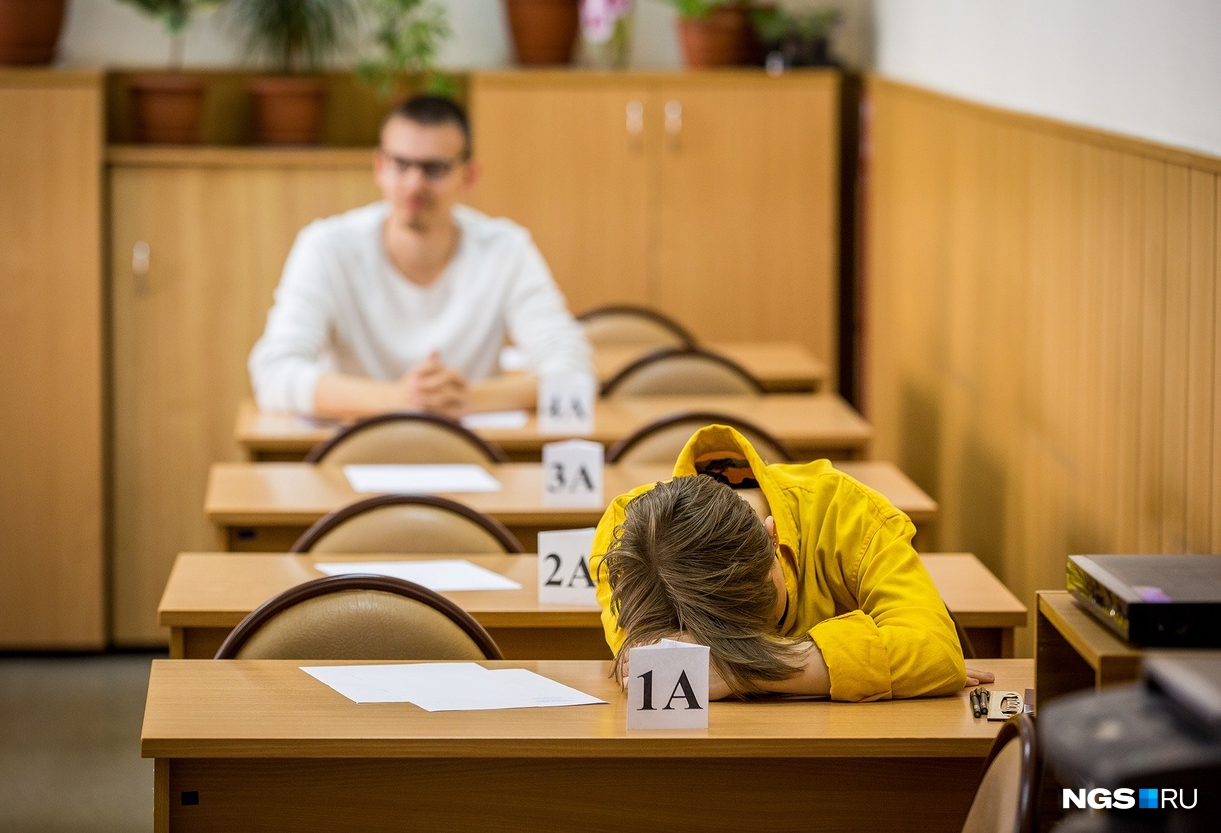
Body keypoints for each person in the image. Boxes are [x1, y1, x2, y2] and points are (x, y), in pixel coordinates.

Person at [590, 424, 994, 701]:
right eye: (708, 635)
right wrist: (851, 664)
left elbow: (935, 651)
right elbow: (641, 662)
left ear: (773, 537)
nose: (745, 641)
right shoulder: (628, 538)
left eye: (768, 614)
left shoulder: (846, 509)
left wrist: (740, 669)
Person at [249, 95, 592, 420]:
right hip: (350, 450)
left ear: (469, 176)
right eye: (400, 165)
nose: (414, 185)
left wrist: (469, 398)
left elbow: (573, 369)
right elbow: (274, 372)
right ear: (379, 167)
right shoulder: (326, 247)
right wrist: (396, 399)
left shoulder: (506, 249)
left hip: (471, 452)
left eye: (435, 169)